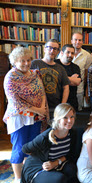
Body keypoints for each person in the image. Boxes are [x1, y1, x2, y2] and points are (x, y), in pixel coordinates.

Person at [3, 47, 48, 183]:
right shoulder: (10, 77)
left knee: (33, 147)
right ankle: (18, 178)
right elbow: (16, 102)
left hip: (36, 118)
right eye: (22, 61)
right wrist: (38, 110)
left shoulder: (35, 74)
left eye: (28, 60)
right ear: (15, 62)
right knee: (20, 148)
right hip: (19, 117)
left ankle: (29, 174)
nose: (26, 63)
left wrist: (42, 107)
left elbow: (42, 92)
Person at [21, 103, 78, 183]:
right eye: (65, 117)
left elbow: (70, 154)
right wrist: (30, 158)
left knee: (72, 171)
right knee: (59, 179)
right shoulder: (45, 137)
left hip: (56, 163)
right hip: (39, 166)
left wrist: (56, 162)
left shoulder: (72, 133)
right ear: (58, 119)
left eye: (72, 117)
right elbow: (25, 148)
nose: (69, 120)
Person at [31, 39, 70, 110]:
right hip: (36, 105)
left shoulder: (61, 68)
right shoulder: (34, 64)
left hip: (54, 106)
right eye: (50, 48)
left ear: (58, 52)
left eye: (55, 49)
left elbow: (66, 87)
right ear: (45, 49)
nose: (52, 51)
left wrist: (62, 105)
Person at [71, 32, 92, 111]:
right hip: (65, 87)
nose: (77, 42)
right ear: (71, 41)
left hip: (79, 89)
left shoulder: (87, 55)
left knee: (78, 111)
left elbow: (87, 74)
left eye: (80, 40)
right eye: (75, 39)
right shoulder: (64, 53)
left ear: (82, 42)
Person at [56, 44, 81, 111]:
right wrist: (71, 79)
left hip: (72, 102)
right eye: (68, 52)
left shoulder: (76, 67)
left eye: (72, 53)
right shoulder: (55, 64)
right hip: (56, 101)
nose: (70, 55)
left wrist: (60, 78)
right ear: (62, 53)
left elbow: (77, 82)